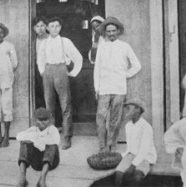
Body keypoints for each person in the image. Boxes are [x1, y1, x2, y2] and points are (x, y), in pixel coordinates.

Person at [94, 16, 141, 152]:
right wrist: (97, 87)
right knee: (101, 117)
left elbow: (137, 65)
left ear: (118, 31)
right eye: (108, 31)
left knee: (115, 118)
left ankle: (111, 145)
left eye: (113, 31)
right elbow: (97, 68)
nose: (111, 34)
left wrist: (125, 74)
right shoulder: (102, 47)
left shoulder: (125, 47)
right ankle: (102, 146)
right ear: (105, 32)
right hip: (104, 88)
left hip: (119, 88)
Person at [36, 17, 83, 150]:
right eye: (52, 26)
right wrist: (42, 71)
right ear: (47, 28)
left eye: (57, 26)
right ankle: (51, 137)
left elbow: (78, 57)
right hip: (48, 71)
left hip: (61, 70)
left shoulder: (65, 41)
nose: (54, 29)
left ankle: (67, 137)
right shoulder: (44, 43)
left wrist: (73, 72)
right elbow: (40, 59)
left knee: (65, 105)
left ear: (60, 27)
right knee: (49, 105)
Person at [115, 99, 157, 186]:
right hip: (132, 154)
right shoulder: (128, 125)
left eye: (128, 108)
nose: (126, 111)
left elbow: (144, 151)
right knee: (119, 174)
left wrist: (133, 165)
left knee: (137, 176)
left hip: (145, 157)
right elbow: (129, 147)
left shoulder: (146, 127)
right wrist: (123, 156)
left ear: (137, 110)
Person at [16, 108, 60, 187]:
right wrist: (31, 140)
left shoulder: (52, 129)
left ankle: (42, 179)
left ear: (49, 121)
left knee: (52, 145)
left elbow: (55, 140)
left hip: (50, 162)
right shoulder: (33, 130)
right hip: (36, 162)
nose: (42, 122)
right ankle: (22, 178)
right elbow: (19, 136)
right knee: (24, 143)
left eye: (45, 120)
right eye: (40, 120)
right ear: (35, 121)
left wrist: (36, 140)